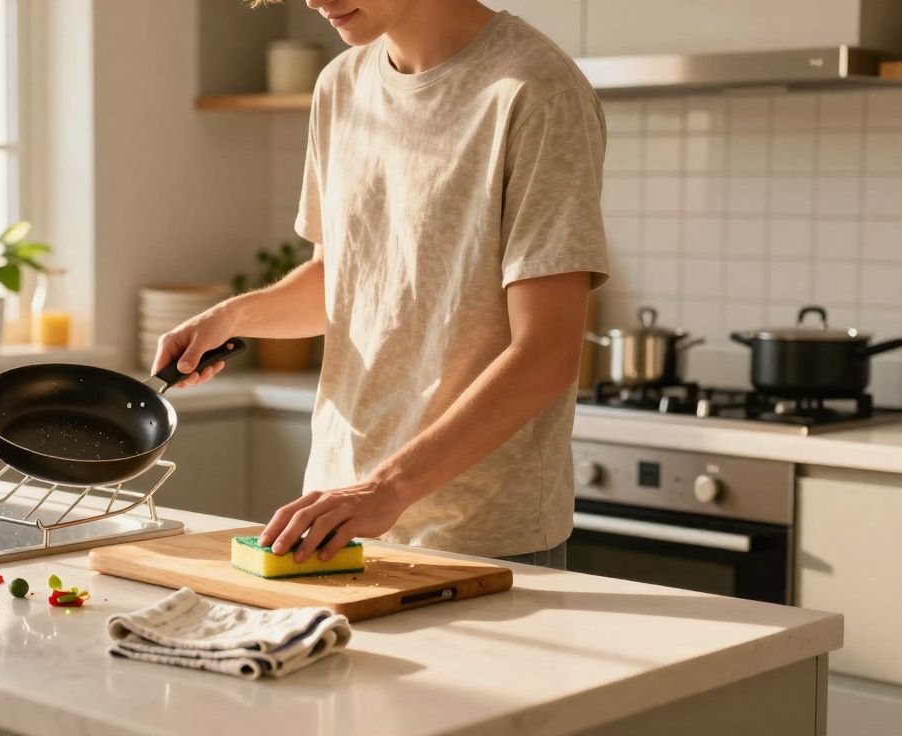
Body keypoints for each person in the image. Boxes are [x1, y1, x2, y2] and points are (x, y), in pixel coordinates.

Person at [152, 0, 608, 569]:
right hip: (335, 517)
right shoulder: (340, 86)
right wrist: (231, 317)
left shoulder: (537, 91)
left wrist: (388, 488)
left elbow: (545, 354)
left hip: (482, 537)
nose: (314, 0)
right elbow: (339, 282)